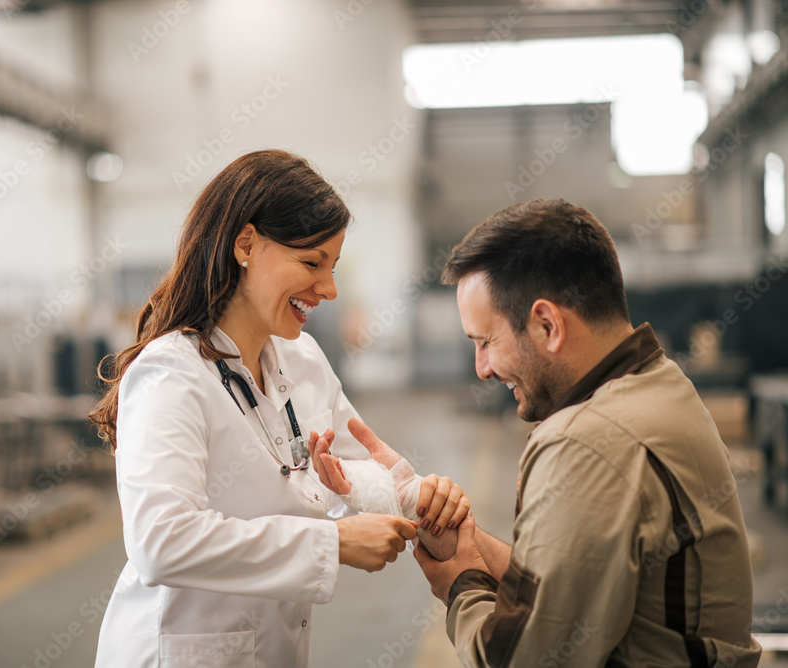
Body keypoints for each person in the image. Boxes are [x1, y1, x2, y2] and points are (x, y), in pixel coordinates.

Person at [323, 199, 762, 666]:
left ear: (548, 324)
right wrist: (459, 535)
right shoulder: (658, 383)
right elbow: (568, 587)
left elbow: (521, 660)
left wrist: (461, 584)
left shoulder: (587, 441)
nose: (482, 369)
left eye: (486, 342)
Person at [88, 149, 468, 668]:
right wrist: (329, 541)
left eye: (332, 267)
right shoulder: (171, 375)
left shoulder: (302, 358)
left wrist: (416, 497)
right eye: (311, 263)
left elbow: (360, 470)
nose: (329, 289)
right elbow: (161, 541)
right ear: (246, 244)